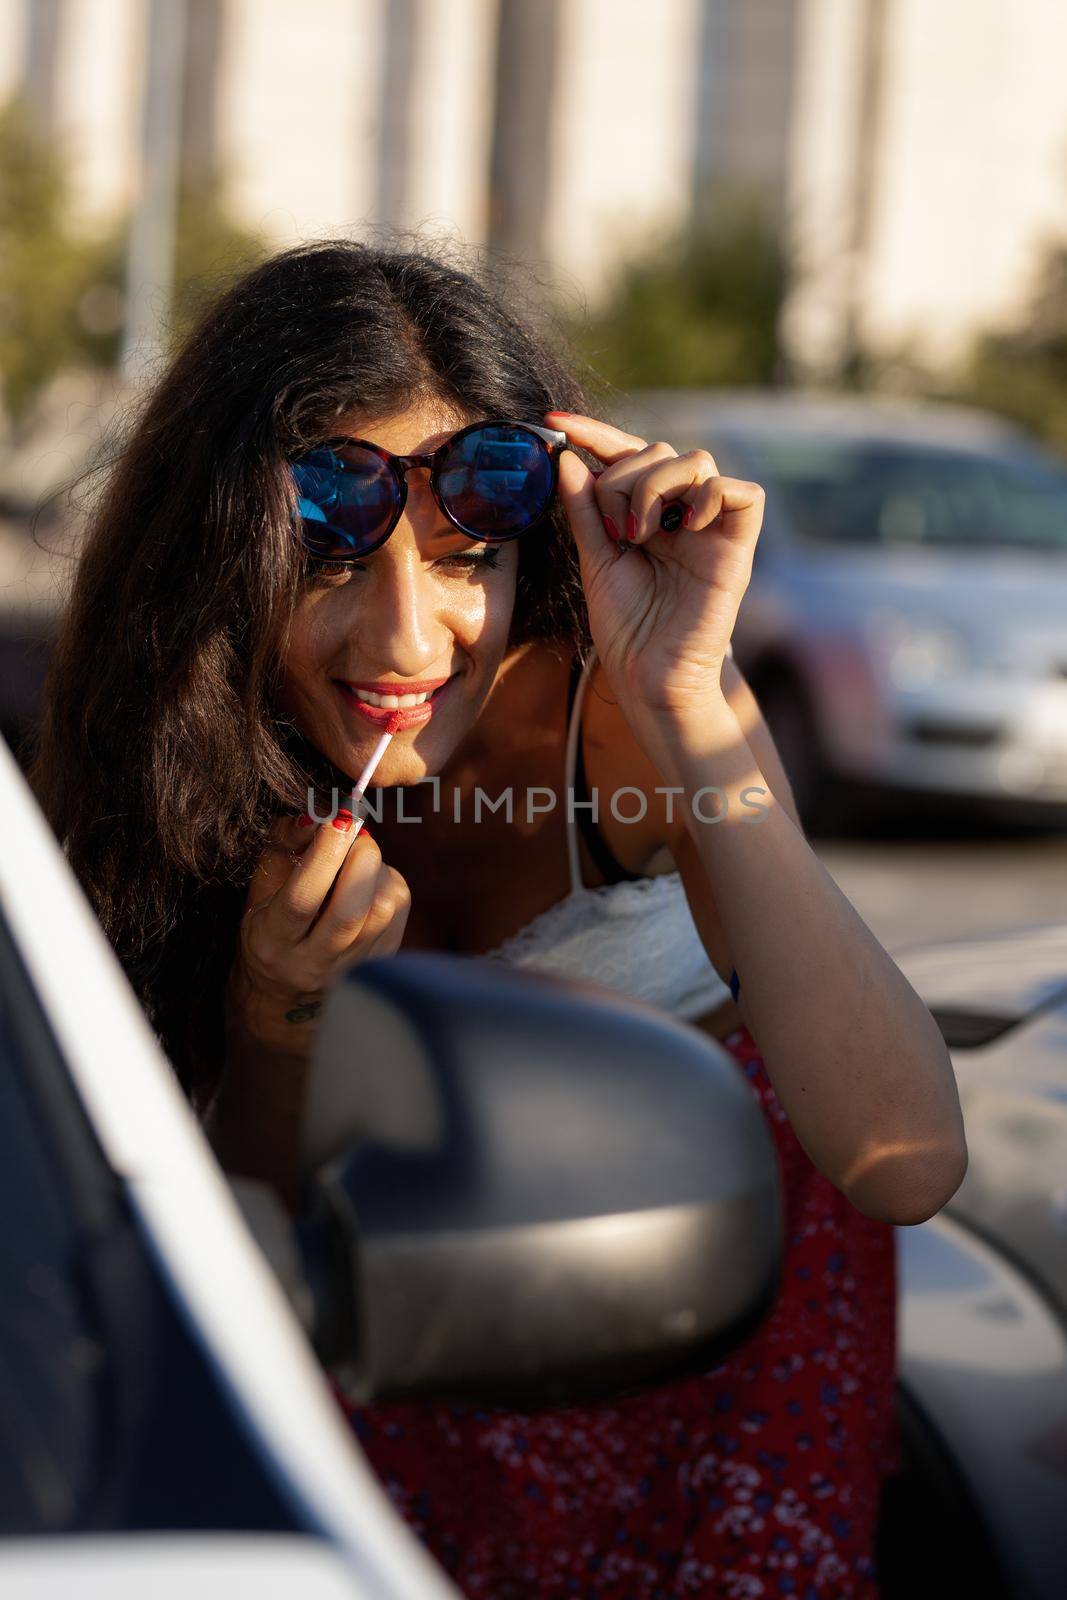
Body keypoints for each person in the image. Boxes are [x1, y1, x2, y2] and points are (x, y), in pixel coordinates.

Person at [29, 238, 967, 1599]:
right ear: (219, 553)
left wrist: (696, 699)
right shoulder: (177, 750)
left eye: (468, 555)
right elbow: (238, 1257)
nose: (410, 642)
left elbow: (905, 1160)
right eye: (332, 561)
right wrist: (279, 1021)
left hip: (717, 1385)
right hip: (397, 1377)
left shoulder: (633, 719)